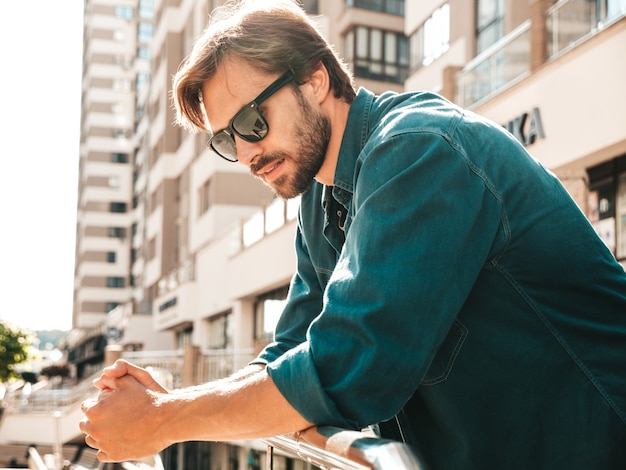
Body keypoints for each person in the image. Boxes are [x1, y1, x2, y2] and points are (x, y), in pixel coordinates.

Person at [80, 0, 626, 468]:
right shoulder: (323, 194)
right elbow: (293, 349)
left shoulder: (420, 150)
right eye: (228, 139)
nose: (246, 153)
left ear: (315, 80)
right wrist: (175, 402)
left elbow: (348, 367)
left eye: (252, 121)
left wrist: (165, 420)